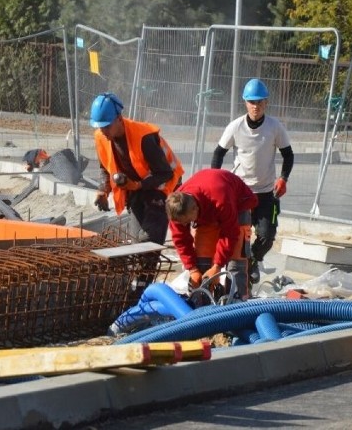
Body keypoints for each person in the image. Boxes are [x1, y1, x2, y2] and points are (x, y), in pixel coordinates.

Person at [211, 78, 294, 284]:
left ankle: (253, 261)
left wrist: (283, 178)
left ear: (266, 103)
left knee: (267, 236)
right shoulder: (235, 127)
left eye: (259, 102)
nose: (255, 106)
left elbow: (288, 154)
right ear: (245, 103)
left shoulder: (275, 127)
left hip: (266, 193)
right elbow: (218, 154)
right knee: (236, 236)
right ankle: (235, 274)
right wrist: (216, 181)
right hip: (240, 192)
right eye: (251, 102)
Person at [90, 92, 184, 244]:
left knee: (148, 238)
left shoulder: (144, 137)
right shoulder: (101, 137)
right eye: (99, 127)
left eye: (106, 126)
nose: (102, 131)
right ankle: (142, 265)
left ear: (119, 119)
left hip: (163, 185)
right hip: (138, 188)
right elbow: (105, 166)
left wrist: (138, 185)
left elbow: (165, 173)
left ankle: (149, 261)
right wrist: (103, 189)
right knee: (136, 242)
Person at [166, 168, 258, 299]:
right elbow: (181, 240)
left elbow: (229, 235)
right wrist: (193, 269)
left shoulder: (221, 200)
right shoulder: (177, 209)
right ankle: (202, 306)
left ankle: (238, 303)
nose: (186, 225)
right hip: (207, 211)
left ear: (195, 209)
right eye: (183, 223)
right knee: (202, 264)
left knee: (235, 264)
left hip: (237, 206)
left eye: (188, 221)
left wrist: (217, 266)